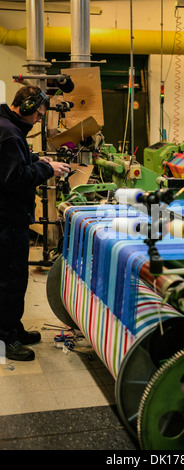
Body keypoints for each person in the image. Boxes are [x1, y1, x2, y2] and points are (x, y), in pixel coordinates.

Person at [0, 85, 71, 361]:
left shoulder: (8, 126)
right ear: (27, 107)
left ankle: (13, 328)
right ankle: (7, 340)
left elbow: (11, 163)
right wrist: (46, 169)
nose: (40, 119)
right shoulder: (8, 133)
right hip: (8, 222)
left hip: (9, 220)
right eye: (39, 114)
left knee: (12, 280)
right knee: (10, 281)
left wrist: (34, 159)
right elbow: (13, 178)